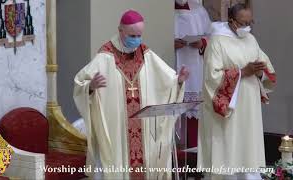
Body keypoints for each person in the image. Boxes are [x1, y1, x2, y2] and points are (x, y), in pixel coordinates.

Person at [73, 10, 189, 180]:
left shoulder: (145, 53)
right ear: (120, 31)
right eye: (132, 35)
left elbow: (166, 81)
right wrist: (90, 86)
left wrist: (179, 81)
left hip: (144, 129)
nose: (136, 39)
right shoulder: (105, 56)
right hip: (117, 129)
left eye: (139, 35)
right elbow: (79, 84)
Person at [198, 3, 276, 180]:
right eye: (243, 23)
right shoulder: (217, 41)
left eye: (250, 22)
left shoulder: (250, 39)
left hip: (249, 104)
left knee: (248, 145)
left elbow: (267, 70)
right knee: (230, 147)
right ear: (231, 21)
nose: (247, 27)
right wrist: (242, 72)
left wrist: (259, 72)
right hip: (229, 108)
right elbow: (211, 77)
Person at [174, 0, 211, 150]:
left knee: (194, 110)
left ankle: (192, 153)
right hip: (171, 61)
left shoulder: (199, 10)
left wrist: (202, 42)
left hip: (194, 65)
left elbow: (212, 36)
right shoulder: (162, 9)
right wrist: (169, 42)